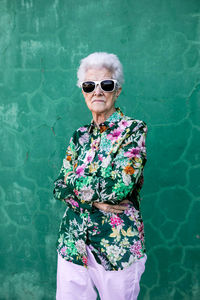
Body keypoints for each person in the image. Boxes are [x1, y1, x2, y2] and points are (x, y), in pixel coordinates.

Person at [53, 52, 148, 300]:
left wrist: (76, 190)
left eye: (106, 85)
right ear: (83, 91)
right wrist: (93, 200)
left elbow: (119, 187)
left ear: (117, 90)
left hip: (117, 247)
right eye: (89, 86)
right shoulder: (79, 136)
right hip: (72, 244)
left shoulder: (133, 130)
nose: (97, 91)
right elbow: (59, 186)